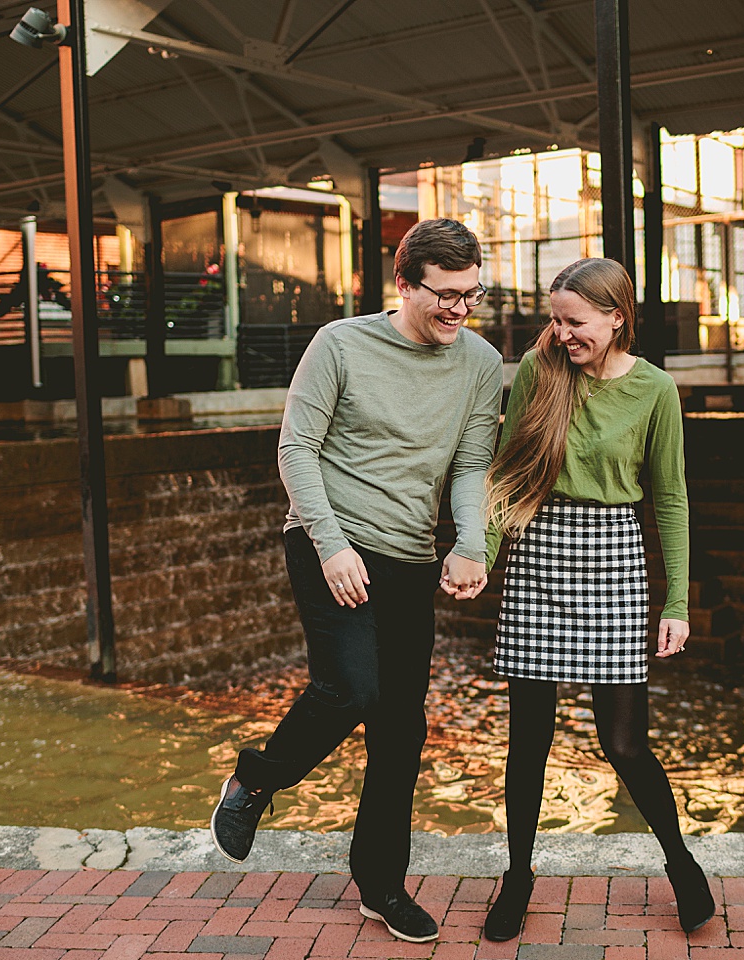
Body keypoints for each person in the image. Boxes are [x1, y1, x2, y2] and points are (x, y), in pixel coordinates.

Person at [209, 218, 503, 944]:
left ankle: (380, 885)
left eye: (472, 294)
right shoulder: (340, 343)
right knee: (349, 689)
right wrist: (331, 543)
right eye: (445, 295)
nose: (459, 310)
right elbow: (297, 447)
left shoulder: (482, 363)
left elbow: (469, 466)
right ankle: (254, 780)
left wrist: (470, 544)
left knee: (401, 732)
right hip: (327, 542)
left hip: (408, 556)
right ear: (404, 284)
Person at [481, 257, 715, 941]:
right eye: (555, 319)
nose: (561, 333)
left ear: (617, 318)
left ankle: (680, 863)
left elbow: (670, 497)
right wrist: (482, 559)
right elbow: (507, 472)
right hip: (538, 547)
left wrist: (676, 604)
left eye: (574, 321)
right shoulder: (539, 372)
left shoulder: (655, 391)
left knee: (625, 744)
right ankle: (518, 874)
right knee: (529, 739)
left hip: (614, 557)